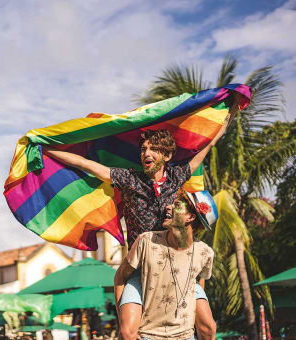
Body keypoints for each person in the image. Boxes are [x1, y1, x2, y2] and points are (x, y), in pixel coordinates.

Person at [43, 99, 236, 338]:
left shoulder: (178, 176)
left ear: (166, 155)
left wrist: (226, 122)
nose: (146, 153)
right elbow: (87, 164)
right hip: (141, 266)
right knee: (128, 331)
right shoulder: (129, 179)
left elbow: (205, 149)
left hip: (177, 264)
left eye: (153, 149)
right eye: (143, 149)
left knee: (208, 327)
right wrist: (47, 150)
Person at [117, 190, 216, 339]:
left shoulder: (205, 253)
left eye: (176, 205)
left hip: (184, 334)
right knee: (127, 333)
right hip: (149, 333)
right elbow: (120, 277)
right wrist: (121, 319)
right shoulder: (146, 241)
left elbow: (198, 279)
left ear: (190, 217)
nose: (167, 207)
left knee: (209, 328)